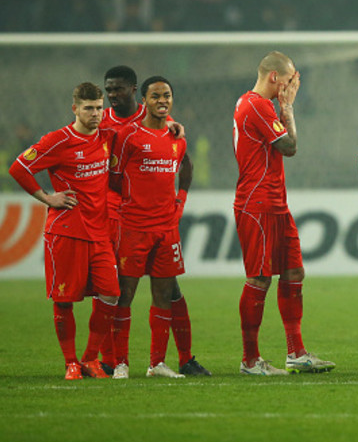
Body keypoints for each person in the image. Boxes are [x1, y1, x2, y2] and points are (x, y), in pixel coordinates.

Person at [102, 66, 208, 378]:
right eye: (156, 96)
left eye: (167, 96)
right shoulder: (128, 136)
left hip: (167, 229)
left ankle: (157, 363)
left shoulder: (177, 137)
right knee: (125, 294)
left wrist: (180, 200)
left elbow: (185, 168)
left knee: (164, 294)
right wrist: (134, 206)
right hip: (134, 227)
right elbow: (115, 179)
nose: (162, 100)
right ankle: (120, 362)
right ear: (144, 100)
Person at [233, 51, 335, 375]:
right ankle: (250, 360)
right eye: (290, 81)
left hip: (275, 202)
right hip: (257, 203)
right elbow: (289, 147)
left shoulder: (256, 105)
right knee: (259, 278)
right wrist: (288, 108)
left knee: (293, 272)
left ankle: (296, 352)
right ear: (275, 78)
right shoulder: (257, 105)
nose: (292, 87)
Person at [9, 82, 119, 380]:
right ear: (75, 109)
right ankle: (71, 362)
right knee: (65, 298)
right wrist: (48, 198)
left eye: (98, 108)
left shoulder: (106, 133)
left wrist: (173, 125)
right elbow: (19, 167)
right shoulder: (58, 140)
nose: (95, 114)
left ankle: (90, 359)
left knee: (110, 294)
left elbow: (135, 118)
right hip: (67, 231)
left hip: (100, 233)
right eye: (88, 109)